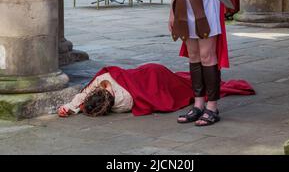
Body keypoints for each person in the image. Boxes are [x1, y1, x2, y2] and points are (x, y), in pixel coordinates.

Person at [57, 63, 254, 118]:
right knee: (183, 83)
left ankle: (206, 86)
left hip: (155, 80)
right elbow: (84, 94)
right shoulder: (102, 79)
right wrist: (71, 106)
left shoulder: (122, 105)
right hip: (152, 71)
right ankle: (206, 85)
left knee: (184, 88)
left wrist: (73, 107)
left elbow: (82, 97)